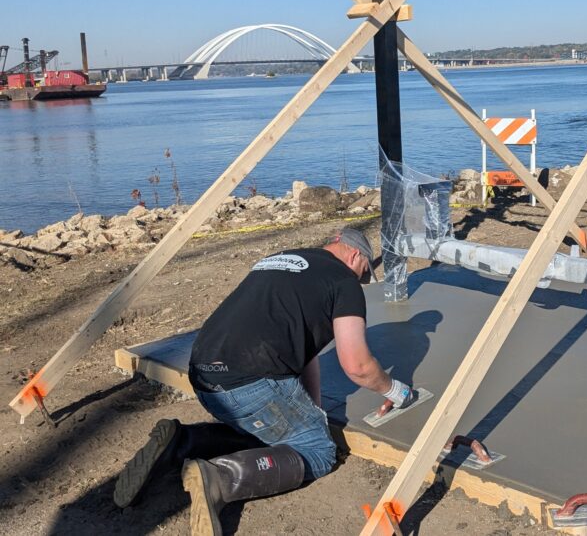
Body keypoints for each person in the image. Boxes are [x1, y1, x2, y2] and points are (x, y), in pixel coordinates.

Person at [114, 227, 416, 535]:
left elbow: (306, 355)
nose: (361, 282)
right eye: (364, 273)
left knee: (277, 432)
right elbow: (358, 366)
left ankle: (183, 443)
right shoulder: (343, 281)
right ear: (355, 255)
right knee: (318, 450)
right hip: (251, 385)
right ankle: (219, 479)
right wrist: (397, 390)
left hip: (204, 378)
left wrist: (313, 413)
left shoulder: (282, 259)